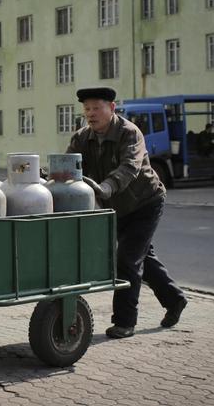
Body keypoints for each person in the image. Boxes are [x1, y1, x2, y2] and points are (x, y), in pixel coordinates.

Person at [67, 87, 187, 339]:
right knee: (142, 258)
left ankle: (124, 322)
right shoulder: (81, 138)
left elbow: (129, 167)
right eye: (87, 109)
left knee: (127, 260)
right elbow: (68, 167)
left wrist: (106, 187)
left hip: (145, 202)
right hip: (116, 207)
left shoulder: (130, 133)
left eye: (96, 108)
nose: (90, 114)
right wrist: (46, 179)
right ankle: (175, 299)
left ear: (111, 108)